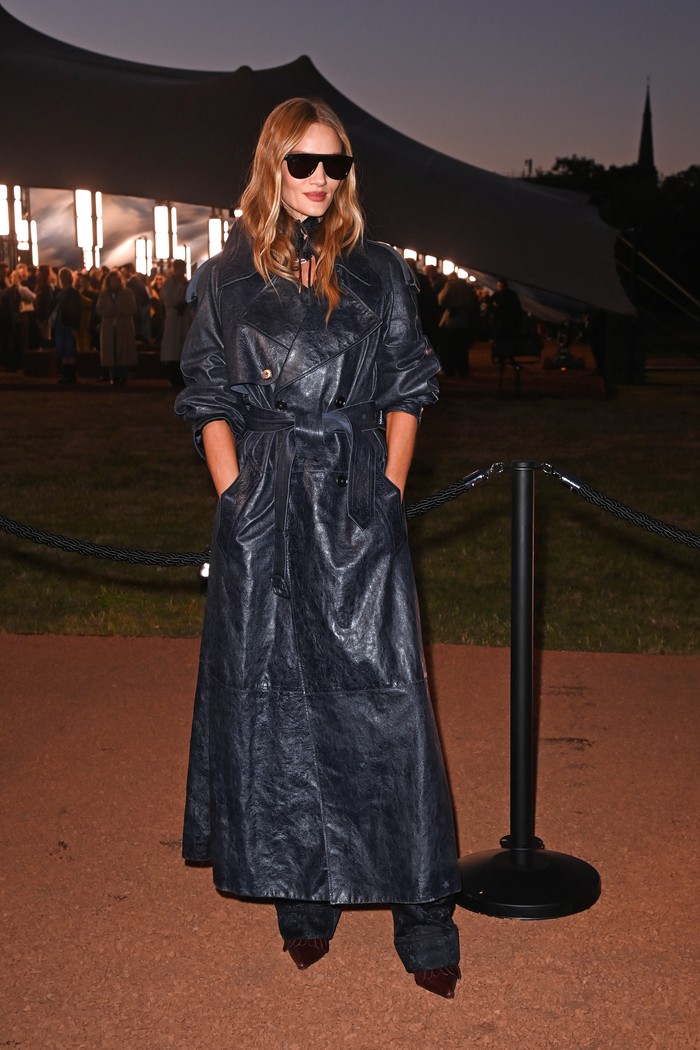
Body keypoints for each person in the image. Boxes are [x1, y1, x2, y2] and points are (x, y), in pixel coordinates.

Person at [175, 97, 462, 1000]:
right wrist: (234, 494)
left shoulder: (379, 272)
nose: (320, 181)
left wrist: (388, 486)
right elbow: (205, 393)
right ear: (273, 165)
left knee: (389, 698)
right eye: (303, 163)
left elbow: (412, 383)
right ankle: (303, 899)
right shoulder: (225, 276)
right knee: (274, 696)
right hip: (263, 502)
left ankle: (424, 908)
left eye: (334, 165)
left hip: (351, 491)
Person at [95, 269, 137, 385]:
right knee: (110, 351)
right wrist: (108, 312)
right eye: (112, 281)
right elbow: (99, 309)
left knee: (122, 351)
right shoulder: (104, 294)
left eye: (116, 281)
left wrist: (121, 311)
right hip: (109, 326)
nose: (114, 283)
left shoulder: (127, 293)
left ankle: (123, 375)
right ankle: (113, 376)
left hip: (123, 326)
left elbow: (133, 308)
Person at [159, 259, 191, 388]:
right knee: (172, 347)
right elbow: (169, 299)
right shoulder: (169, 283)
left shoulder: (186, 282)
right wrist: (181, 291)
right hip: (173, 318)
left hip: (184, 318)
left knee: (183, 347)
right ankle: (173, 375)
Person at [51, 267, 82, 384]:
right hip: (61, 324)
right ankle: (66, 374)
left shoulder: (72, 293)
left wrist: (75, 326)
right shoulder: (61, 292)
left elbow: (76, 311)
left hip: (68, 324)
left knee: (69, 350)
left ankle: (70, 375)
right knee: (63, 350)